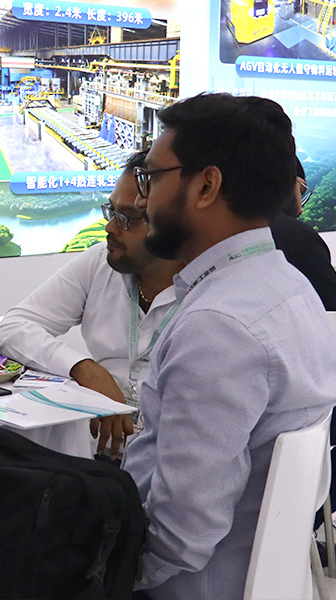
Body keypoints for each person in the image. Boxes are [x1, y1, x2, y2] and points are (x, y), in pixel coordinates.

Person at [125, 92, 336, 599]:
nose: (142, 200)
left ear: (206, 185)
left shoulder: (217, 327)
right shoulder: (288, 287)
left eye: (151, 178)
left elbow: (182, 534)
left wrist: (103, 575)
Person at [0, 150, 184, 459]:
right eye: (111, 211)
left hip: (166, 459)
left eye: (126, 219)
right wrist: (84, 368)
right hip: (96, 455)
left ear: (171, 224)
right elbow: (11, 329)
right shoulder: (101, 262)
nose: (110, 228)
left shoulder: (209, 292)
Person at [269, 156, 336, 310]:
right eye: (301, 191)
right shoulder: (299, 238)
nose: (301, 210)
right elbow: (332, 302)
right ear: (287, 183)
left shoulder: (228, 231)